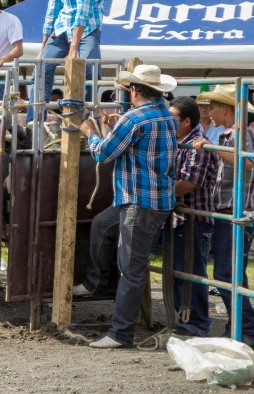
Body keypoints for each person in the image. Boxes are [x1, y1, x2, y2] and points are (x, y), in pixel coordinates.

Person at [75, 65, 177, 349]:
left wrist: (91, 132)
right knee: (101, 224)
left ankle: (121, 333)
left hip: (138, 202)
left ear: (134, 91)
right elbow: (131, 147)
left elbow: (103, 154)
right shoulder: (165, 116)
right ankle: (94, 282)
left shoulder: (133, 119)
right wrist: (110, 128)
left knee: (131, 269)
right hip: (152, 200)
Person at [192, 85, 254, 346]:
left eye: (213, 107)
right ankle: (239, 325)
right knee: (231, 273)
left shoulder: (238, 135)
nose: (209, 112)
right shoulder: (231, 133)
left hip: (236, 210)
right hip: (229, 209)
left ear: (225, 108)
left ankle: (247, 328)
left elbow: (248, 162)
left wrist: (209, 147)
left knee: (226, 274)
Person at [26, 0, 105, 124]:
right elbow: (52, 9)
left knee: (89, 69)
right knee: (40, 68)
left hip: (87, 30)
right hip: (61, 29)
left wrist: (74, 46)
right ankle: (33, 124)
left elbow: (83, 10)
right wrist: (43, 45)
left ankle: (83, 122)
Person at [165, 97, 219, 337]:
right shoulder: (180, 141)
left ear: (186, 121)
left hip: (194, 219)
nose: (168, 123)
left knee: (193, 272)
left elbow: (188, 183)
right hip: (181, 217)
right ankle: (183, 319)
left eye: (172, 119)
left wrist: (156, 192)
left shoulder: (198, 145)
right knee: (180, 271)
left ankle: (197, 322)